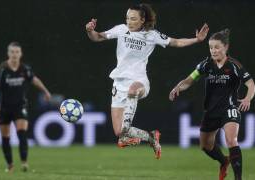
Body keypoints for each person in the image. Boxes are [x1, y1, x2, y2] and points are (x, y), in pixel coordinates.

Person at [86, 3, 209, 159]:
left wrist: (197, 40)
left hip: (139, 81)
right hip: (118, 84)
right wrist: (90, 31)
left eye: (133, 19)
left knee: (133, 90)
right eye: (127, 18)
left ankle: (127, 133)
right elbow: (97, 37)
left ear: (142, 20)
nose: (129, 22)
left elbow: (176, 42)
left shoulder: (151, 35)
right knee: (119, 132)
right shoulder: (121, 29)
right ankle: (151, 137)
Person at [169, 29, 254, 180]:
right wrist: (178, 87)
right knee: (205, 146)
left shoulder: (234, 65)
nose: (213, 51)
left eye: (217, 47)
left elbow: (251, 84)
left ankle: (238, 178)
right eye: (211, 47)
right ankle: (224, 161)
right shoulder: (206, 65)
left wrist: (247, 98)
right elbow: (190, 80)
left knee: (231, 140)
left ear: (225, 47)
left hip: (229, 108)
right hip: (211, 111)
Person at [0, 42, 52, 172]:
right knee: (6, 137)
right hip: (3, 107)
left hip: (20, 106)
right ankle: (10, 165)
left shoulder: (24, 69)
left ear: (21, 53)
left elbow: (34, 80)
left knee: (21, 133)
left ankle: (24, 162)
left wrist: (45, 91)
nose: (15, 54)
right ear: (8, 53)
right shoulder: (1, 69)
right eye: (12, 52)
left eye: (17, 52)